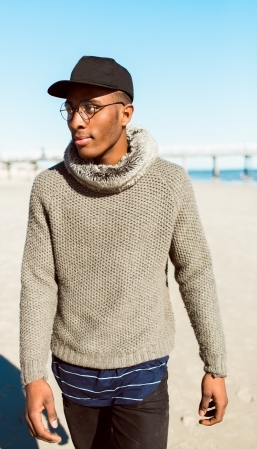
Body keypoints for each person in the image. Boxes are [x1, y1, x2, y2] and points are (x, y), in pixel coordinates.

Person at [20, 56, 228, 448]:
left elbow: (195, 271)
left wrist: (215, 365)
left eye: (91, 108)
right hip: (75, 370)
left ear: (125, 113)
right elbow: (37, 283)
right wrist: (33, 375)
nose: (76, 120)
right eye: (71, 108)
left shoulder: (169, 183)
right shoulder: (49, 188)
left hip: (144, 368)